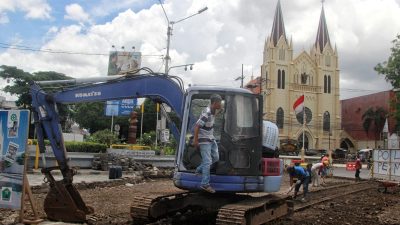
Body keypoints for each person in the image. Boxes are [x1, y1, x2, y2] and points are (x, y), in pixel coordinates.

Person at [194, 94, 222, 193]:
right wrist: (195, 140)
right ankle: (205, 184)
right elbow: (197, 126)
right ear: (215, 103)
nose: (221, 104)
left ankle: (198, 169)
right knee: (207, 161)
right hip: (204, 139)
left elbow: (215, 115)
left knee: (216, 157)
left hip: (210, 137)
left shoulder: (213, 111)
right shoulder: (207, 113)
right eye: (220, 103)